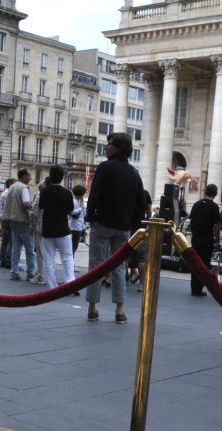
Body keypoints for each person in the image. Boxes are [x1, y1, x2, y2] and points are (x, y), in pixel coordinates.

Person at [85, 132, 146, 324]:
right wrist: (133, 223)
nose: (106, 147)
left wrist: (90, 216)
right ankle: (120, 310)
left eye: (110, 144)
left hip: (102, 223)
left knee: (96, 265)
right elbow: (141, 202)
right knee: (119, 267)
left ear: (119, 147)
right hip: (123, 227)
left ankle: (93, 307)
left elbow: (94, 195)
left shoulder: (104, 168)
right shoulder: (134, 172)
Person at [38, 165, 76, 291]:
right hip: (63, 229)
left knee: (48, 259)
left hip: (47, 229)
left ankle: (51, 286)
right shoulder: (67, 193)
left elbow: (41, 207)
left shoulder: (44, 192)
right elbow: (70, 210)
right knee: (67, 257)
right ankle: (70, 283)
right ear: (62, 177)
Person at [188, 183, 222, 297]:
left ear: (205, 192)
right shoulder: (214, 207)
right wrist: (217, 240)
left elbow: (191, 220)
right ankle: (199, 287)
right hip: (207, 239)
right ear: (215, 194)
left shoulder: (196, 204)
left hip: (195, 237)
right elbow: (216, 226)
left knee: (195, 262)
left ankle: (193, 287)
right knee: (204, 264)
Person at [2, 169, 36, 282]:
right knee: (29, 248)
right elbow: (26, 204)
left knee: (16, 248)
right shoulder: (24, 188)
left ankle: (14, 272)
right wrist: (34, 205)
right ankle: (31, 273)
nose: (30, 178)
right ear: (24, 176)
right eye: (29, 175)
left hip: (12, 220)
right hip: (23, 221)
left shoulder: (12, 187)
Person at [31, 180, 48, 284]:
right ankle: (48, 275)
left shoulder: (39, 197)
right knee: (48, 253)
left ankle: (41, 276)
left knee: (40, 252)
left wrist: (31, 225)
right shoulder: (51, 198)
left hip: (40, 227)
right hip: (50, 228)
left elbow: (34, 213)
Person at [0, 177, 16, 269]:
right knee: (10, 240)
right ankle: (8, 260)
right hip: (8, 218)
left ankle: (2, 260)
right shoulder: (9, 193)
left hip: (3, 218)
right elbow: (9, 207)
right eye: (14, 183)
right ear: (10, 184)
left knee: (5, 240)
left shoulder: (4, 193)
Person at [69, 185, 86, 253]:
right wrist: (81, 208)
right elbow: (73, 213)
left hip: (79, 227)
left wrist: (82, 207)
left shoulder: (79, 202)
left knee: (75, 247)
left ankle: (71, 262)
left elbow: (83, 215)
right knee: (73, 247)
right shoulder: (74, 202)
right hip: (74, 227)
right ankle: (71, 262)